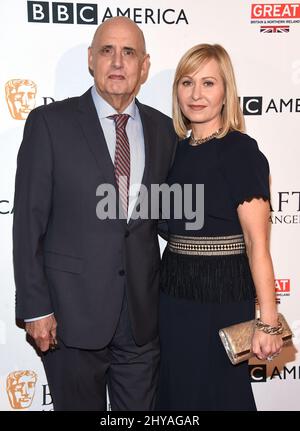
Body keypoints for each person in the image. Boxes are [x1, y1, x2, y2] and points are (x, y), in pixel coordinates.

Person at [13, 17, 177, 411]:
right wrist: (37, 308)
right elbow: (28, 225)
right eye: (107, 50)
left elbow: (171, 219)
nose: (118, 62)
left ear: (144, 65)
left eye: (129, 53)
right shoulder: (49, 124)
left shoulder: (165, 130)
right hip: (70, 318)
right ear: (91, 59)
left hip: (141, 322)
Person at [156, 44, 283, 411]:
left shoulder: (240, 151)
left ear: (226, 91)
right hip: (173, 293)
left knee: (218, 396)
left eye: (208, 83)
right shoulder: (175, 150)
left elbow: (257, 244)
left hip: (223, 298)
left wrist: (269, 322)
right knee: (176, 394)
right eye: (187, 82)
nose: (196, 94)